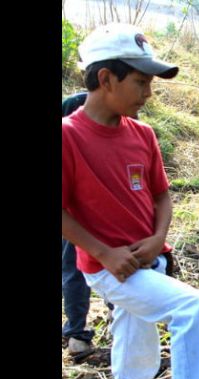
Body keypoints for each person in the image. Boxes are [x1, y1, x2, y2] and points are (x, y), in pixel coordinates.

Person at [62, 23, 199, 379]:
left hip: (148, 262)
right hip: (108, 268)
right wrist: (103, 251)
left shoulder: (143, 135)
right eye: (140, 81)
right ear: (106, 79)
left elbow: (161, 195)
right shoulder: (67, 136)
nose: (148, 93)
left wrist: (158, 239)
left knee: (137, 357)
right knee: (192, 306)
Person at [62, 91, 94, 357]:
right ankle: (76, 331)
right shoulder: (72, 108)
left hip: (110, 210)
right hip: (74, 212)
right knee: (74, 269)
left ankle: (122, 325)